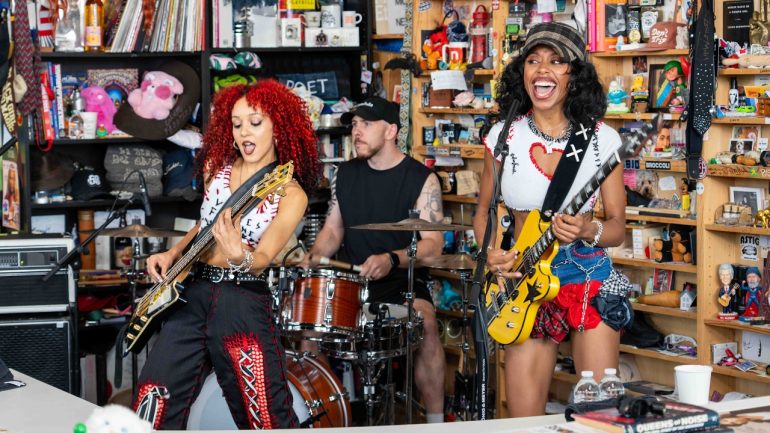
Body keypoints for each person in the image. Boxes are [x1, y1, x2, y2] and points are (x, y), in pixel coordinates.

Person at [133, 80, 319, 430]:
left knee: (264, 411)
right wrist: (173, 252)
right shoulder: (216, 171)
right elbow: (204, 226)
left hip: (241, 299)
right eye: (236, 124)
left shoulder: (291, 193)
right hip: (192, 293)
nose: (244, 131)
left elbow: (264, 255)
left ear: (279, 126)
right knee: (153, 398)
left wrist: (241, 257)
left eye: (255, 122)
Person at [473, 22, 632, 417]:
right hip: (525, 277)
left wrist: (586, 229)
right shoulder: (502, 135)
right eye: (533, 60)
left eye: (556, 61)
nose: (542, 70)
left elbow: (616, 228)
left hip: (586, 273)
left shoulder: (601, 140)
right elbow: (484, 213)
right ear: (521, 72)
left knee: (602, 413)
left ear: (573, 75)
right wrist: (490, 252)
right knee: (523, 419)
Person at [301, 97, 447, 423]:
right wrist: (313, 258)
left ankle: (437, 423)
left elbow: (433, 245)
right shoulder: (344, 174)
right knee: (308, 331)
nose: (357, 132)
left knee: (427, 323)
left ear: (391, 130)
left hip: (400, 283)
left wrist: (391, 259)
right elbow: (333, 231)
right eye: (354, 124)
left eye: (366, 124)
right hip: (350, 283)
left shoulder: (422, 180)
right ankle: (327, 417)